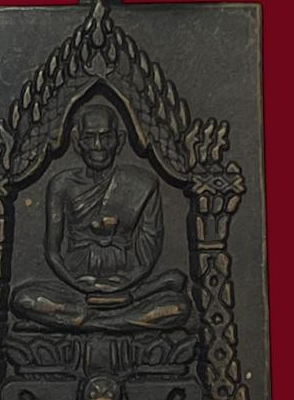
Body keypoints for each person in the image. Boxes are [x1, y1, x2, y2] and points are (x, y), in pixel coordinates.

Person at [11, 104, 191, 332]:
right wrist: (79, 286)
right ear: (77, 141)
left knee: (178, 307)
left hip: (128, 289)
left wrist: (126, 287)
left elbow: (148, 256)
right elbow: (53, 251)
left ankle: (81, 323)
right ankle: (112, 323)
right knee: (24, 299)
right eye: (89, 138)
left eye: (106, 137)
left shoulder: (142, 184)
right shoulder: (62, 184)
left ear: (120, 140)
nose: (98, 146)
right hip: (74, 288)